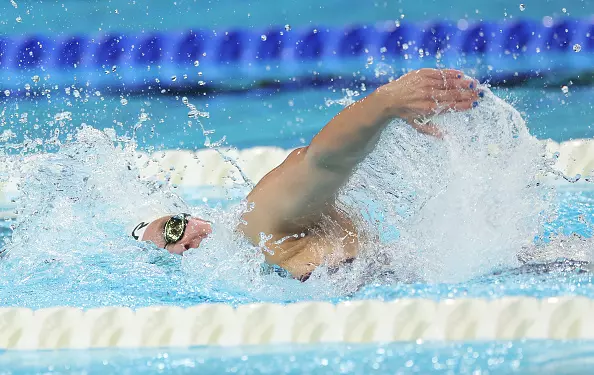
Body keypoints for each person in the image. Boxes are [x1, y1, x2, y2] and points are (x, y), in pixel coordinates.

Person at [132, 68, 481, 281]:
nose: (185, 245)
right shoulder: (253, 267)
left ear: (193, 217)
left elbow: (319, 162)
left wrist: (384, 103)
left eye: (174, 229)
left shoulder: (255, 224)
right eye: (172, 253)